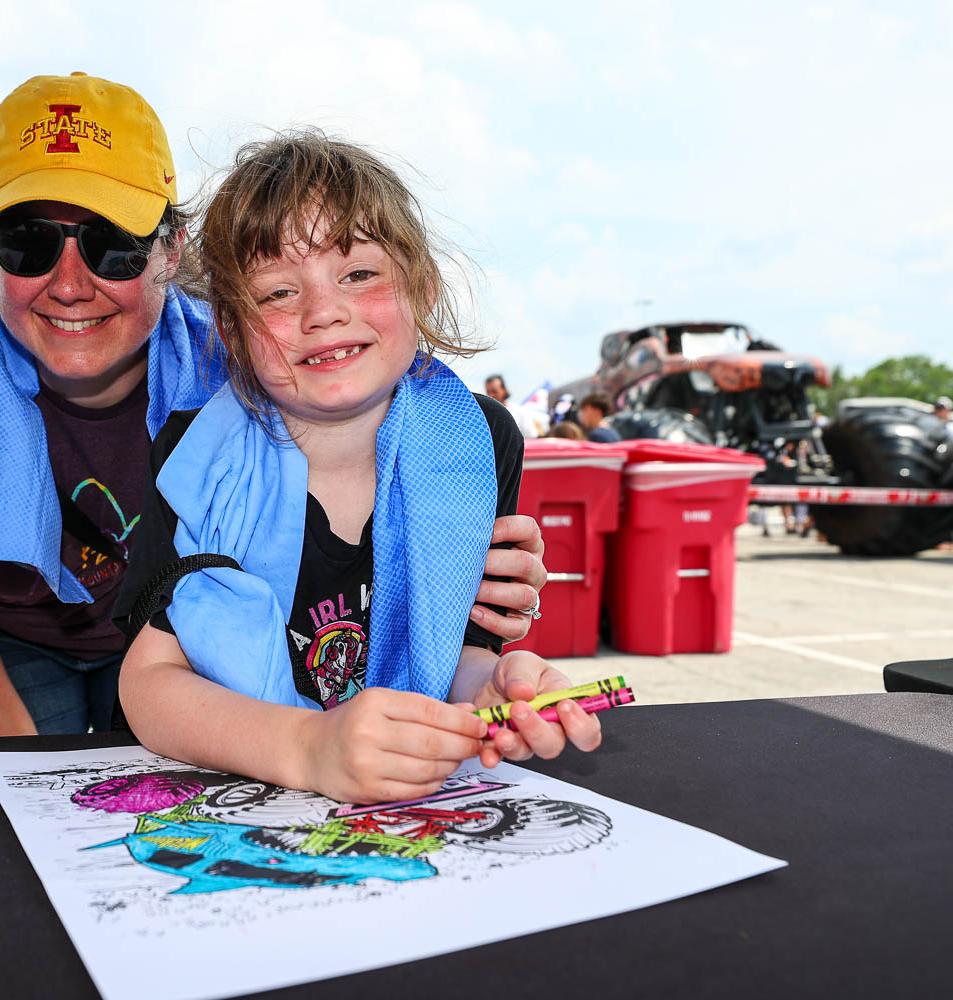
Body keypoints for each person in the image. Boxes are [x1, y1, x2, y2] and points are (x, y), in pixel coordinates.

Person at [0, 73, 548, 741]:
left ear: (172, 250)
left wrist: (458, 572)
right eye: (27, 242)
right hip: (2, 636)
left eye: (113, 246)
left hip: (196, 638)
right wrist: (26, 765)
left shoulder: (263, 362)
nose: (70, 284)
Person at [114, 132, 599, 805]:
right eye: (277, 293)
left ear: (422, 286)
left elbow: (452, 648)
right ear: (229, 330)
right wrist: (308, 748)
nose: (323, 313)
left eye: (359, 275)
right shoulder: (193, 456)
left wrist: (490, 687)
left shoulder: (478, 442)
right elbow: (147, 684)